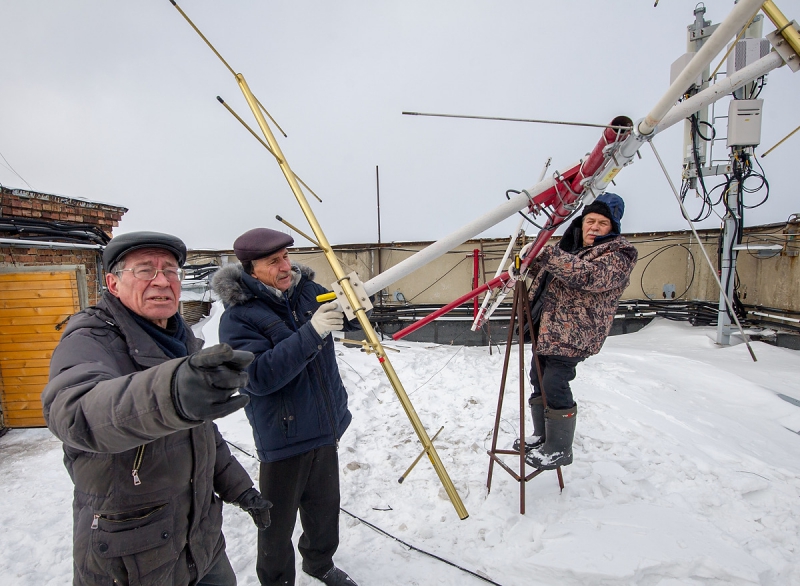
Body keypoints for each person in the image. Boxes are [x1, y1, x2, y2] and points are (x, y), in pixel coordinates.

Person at [43, 231, 272, 586]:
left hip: (202, 541)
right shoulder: (89, 338)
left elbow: (201, 433)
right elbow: (74, 412)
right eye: (145, 270)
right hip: (131, 557)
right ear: (113, 283)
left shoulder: (179, 338)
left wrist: (240, 489)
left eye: (170, 271)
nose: (162, 280)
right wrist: (171, 394)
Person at [212, 228, 358, 586]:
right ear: (250, 268)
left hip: (324, 422)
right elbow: (259, 376)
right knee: (276, 524)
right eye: (273, 261)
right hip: (284, 433)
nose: (284, 266)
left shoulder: (306, 291)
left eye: (286, 257)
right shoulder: (239, 317)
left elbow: (342, 320)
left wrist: (353, 307)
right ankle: (277, 580)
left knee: (324, 507)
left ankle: (319, 562)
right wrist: (312, 331)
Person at [518, 193, 637, 470]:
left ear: (613, 228)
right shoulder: (570, 249)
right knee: (538, 377)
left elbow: (587, 276)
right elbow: (554, 272)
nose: (594, 227)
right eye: (590, 220)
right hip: (548, 330)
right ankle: (543, 436)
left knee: (554, 383)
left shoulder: (618, 255)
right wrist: (532, 260)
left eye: (602, 223)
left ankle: (559, 449)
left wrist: (547, 253)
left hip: (575, 334)